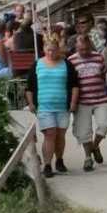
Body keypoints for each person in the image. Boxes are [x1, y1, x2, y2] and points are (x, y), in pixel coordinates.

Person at [68, 27, 107, 171]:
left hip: (100, 98)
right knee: (84, 131)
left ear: (89, 46)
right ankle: (88, 158)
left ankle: (95, 146)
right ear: (76, 47)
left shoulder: (98, 57)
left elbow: (103, 75)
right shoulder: (71, 61)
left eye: (86, 49)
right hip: (82, 101)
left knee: (104, 125)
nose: (84, 52)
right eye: (81, 50)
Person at [33, 30, 74, 176]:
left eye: (54, 50)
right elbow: (30, 85)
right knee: (50, 133)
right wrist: (31, 103)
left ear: (58, 50)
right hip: (44, 105)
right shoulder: (37, 64)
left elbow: (74, 84)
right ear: (44, 49)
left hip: (62, 105)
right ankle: (47, 165)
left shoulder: (66, 64)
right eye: (48, 50)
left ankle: (60, 159)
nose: (51, 52)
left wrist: (73, 102)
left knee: (60, 135)